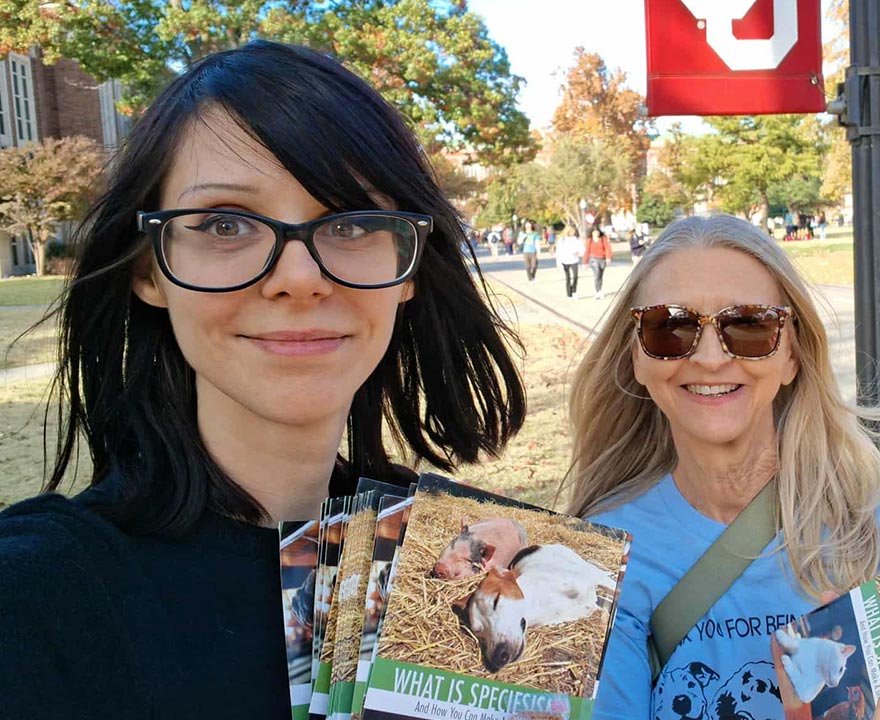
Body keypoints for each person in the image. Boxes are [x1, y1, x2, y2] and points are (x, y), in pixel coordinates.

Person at [0, 40, 526, 717]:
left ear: (409, 268)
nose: (299, 278)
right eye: (225, 224)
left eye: (352, 223)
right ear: (148, 270)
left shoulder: (466, 550)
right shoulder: (35, 601)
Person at [565, 214, 880, 720]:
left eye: (749, 325)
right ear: (637, 357)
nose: (710, 358)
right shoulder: (597, 559)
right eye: (669, 326)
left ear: (792, 356)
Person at [583, 226, 613, 299]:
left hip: (602, 259)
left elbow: (607, 248)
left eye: (597, 232)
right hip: (593, 259)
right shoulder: (589, 240)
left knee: (600, 276)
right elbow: (587, 251)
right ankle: (598, 291)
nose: (596, 234)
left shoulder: (603, 239)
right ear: (592, 233)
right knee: (596, 275)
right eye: (594, 232)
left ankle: (600, 289)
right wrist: (585, 262)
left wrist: (608, 257)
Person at [557, 225, 585, 298]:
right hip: (565, 260)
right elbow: (558, 251)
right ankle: (569, 294)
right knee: (568, 278)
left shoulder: (577, 239)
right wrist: (558, 262)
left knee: (575, 276)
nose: (573, 232)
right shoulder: (562, 239)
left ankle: (574, 291)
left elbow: (582, 249)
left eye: (574, 231)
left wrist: (579, 253)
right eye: (571, 231)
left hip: (574, 260)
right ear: (568, 231)